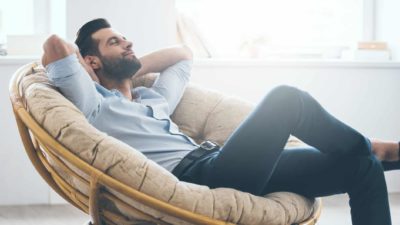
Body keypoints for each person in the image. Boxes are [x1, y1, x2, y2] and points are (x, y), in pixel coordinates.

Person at [42, 18, 399, 225]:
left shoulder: (154, 99)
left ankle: (370, 152)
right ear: (91, 61)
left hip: (222, 162)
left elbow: (182, 55)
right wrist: (91, 72)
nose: (128, 43)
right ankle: (374, 145)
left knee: (361, 168)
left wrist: (131, 67)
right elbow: (56, 45)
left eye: (124, 38)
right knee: (286, 99)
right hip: (198, 177)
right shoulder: (95, 106)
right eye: (115, 42)